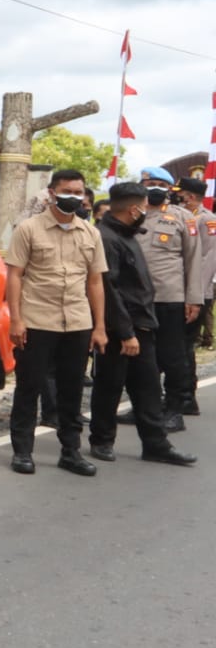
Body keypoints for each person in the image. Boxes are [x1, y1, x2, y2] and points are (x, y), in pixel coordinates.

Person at [4, 168, 109, 476]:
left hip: (77, 322)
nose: (73, 197)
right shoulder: (29, 229)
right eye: (67, 192)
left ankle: (71, 451)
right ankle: (22, 451)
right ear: (51, 193)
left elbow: (95, 283)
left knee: (72, 389)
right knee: (29, 387)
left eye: (78, 192)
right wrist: (16, 320)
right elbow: (14, 276)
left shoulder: (90, 233)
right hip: (37, 320)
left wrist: (99, 326)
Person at [88, 182, 197, 466]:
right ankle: (101, 440)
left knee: (148, 388)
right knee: (109, 386)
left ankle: (156, 444)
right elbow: (109, 291)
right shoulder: (107, 238)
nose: (147, 211)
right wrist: (125, 332)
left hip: (143, 327)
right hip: (121, 329)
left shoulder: (128, 234)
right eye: (145, 206)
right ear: (134, 208)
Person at [138, 166, 200, 430]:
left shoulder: (183, 218)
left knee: (172, 356)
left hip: (170, 298)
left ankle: (174, 409)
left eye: (158, 184)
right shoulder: (132, 215)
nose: (153, 187)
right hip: (138, 299)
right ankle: (147, 407)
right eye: (148, 182)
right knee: (142, 358)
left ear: (169, 188)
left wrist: (193, 299)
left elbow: (193, 260)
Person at [173, 177, 216, 402]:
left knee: (184, 345)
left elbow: (208, 259)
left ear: (189, 197)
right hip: (182, 291)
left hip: (197, 293)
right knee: (178, 344)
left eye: (180, 195)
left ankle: (186, 397)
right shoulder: (182, 217)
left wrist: (196, 294)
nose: (177, 198)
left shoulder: (206, 220)